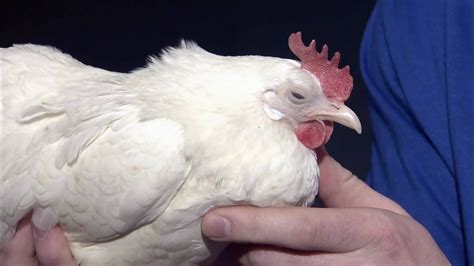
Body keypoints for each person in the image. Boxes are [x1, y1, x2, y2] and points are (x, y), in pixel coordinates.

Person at [1, 0, 472, 265]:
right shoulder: (158, 147)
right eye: (298, 98)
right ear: (265, 102)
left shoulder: (246, 171)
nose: (338, 112)